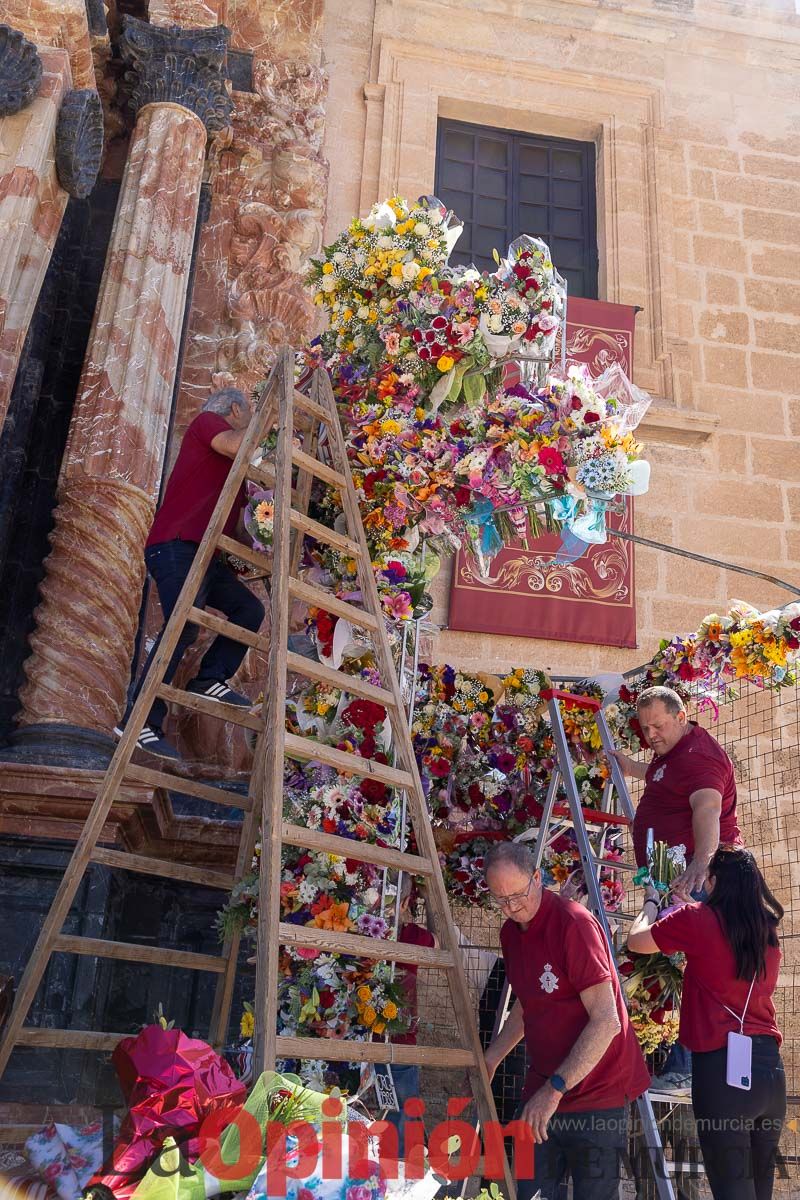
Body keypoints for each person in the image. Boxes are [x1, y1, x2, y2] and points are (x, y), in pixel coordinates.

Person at [483, 842, 650, 1200]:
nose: (512, 907)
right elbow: (528, 1006)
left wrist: (555, 1089)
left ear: (537, 878)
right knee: (528, 1190)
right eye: (501, 900)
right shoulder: (510, 935)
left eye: (518, 895)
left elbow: (607, 1021)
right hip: (544, 1084)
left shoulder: (574, 924)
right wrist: (492, 1056)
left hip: (596, 1089)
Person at [628, 848, 785, 1200]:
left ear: (714, 882)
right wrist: (687, 911)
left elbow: (637, 942)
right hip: (770, 1072)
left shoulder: (697, 919)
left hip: (723, 1071)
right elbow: (726, 966)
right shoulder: (767, 931)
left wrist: (652, 906)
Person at [115, 388, 265, 758]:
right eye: (249, 415)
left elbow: (243, 529)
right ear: (235, 410)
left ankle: (210, 679)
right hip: (176, 546)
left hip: (205, 556)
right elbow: (234, 444)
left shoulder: (233, 471)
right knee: (183, 624)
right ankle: (139, 722)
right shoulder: (207, 422)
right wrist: (273, 417)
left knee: (249, 610)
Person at [611, 684, 743, 1093]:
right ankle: (693, 1064)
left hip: (695, 880)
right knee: (679, 970)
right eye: (646, 728)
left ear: (683, 717)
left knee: (696, 972)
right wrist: (629, 765)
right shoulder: (672, 752)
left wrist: (698, 869)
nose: (652, 735)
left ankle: (691, 1068)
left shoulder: (701, 759)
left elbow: (707, 812)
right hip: (674, 878)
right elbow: (661, 778)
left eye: (659, 726)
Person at [375, 874, 437, 1160]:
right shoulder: (412, 935)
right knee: (401, 1114)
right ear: (406, 902)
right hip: (399, 1043)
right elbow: (441, 943)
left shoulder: (365, 929)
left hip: (367, 1038)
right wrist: (430, 899)